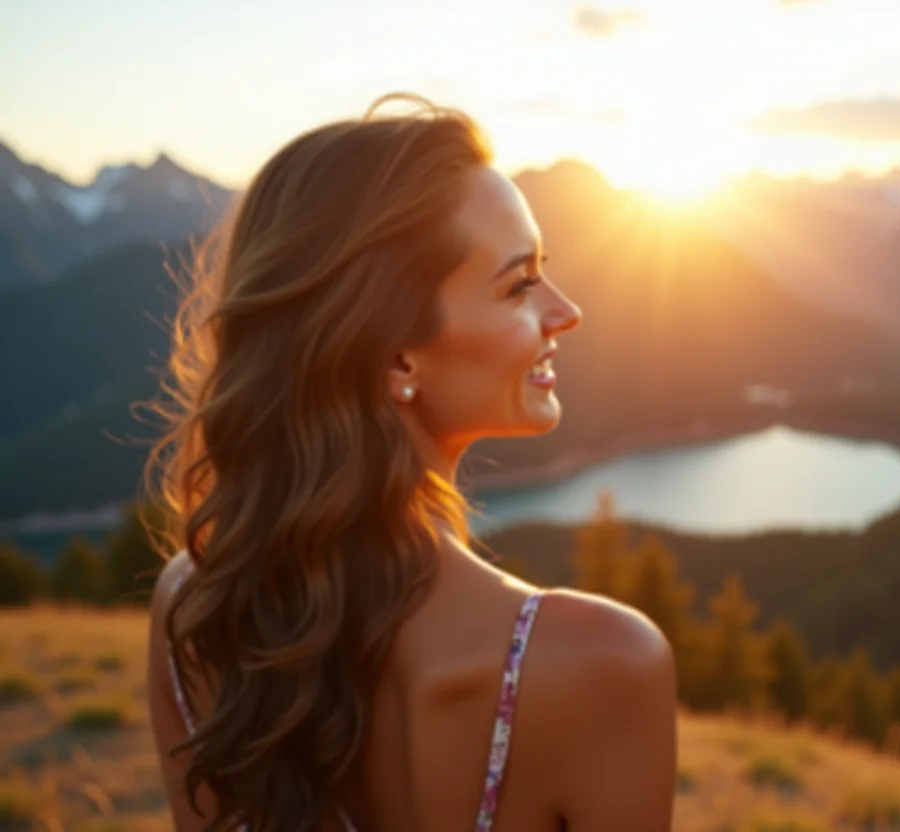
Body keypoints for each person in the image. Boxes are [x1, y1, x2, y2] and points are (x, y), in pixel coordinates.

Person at [143, 92, 677, 832]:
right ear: (397, 357)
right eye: (519, 283)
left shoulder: (197, 606)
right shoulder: (602, 663)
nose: (564, 310)